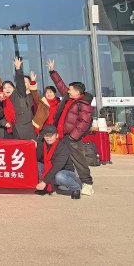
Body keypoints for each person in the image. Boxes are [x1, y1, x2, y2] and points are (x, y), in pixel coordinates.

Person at [47, 60, 95, 196]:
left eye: (70, 89)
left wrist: (73, 137)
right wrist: (52, 72)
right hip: (63, 136)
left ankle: (87, 184)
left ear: (77, 92)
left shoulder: (83, 103)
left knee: (78, 161)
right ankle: (66, 181)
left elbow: (84, 122)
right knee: (64, 161)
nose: (68, 90)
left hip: (72, 138)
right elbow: (61, 85)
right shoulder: (69, 98)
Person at [35, 125, 81, 199]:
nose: (48, 137)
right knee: (36, 165)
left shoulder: (63, 148)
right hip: (50, 170)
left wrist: (44, 182)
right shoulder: (42, 145)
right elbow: (37, 158)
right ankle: (45, 187)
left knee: (59, 176)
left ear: (57, 136)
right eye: (46, 135)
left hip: (64, 171)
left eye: (51, 135)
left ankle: (76, 187)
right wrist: (35, 146)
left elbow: (56, 167)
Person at [0, 58, 35, 140]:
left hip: (24, 129)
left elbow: (20, 83)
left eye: (9, 87)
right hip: (10, 131)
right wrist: (4, 123)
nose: (7, 89)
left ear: (14, 88)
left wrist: (18, 69)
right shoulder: (1, 100)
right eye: (5, 88)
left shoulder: (19, 94)